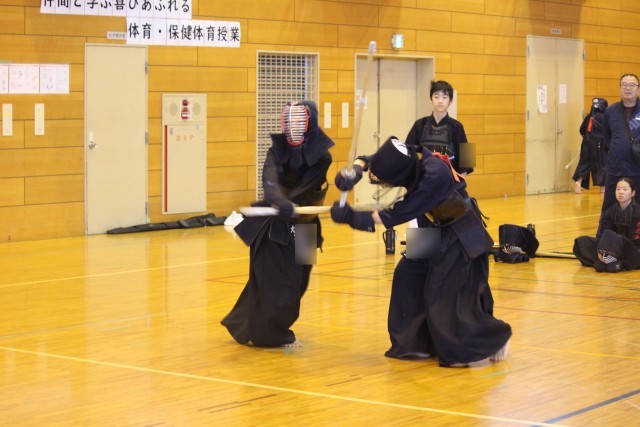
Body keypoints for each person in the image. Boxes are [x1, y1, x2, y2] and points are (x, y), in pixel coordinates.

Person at [332, 136, 511, 367]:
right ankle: (416, 344)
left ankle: (493, 339)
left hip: (456, 231)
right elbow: (369, 158)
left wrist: (351, 217)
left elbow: (392, 215)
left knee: (442, 296)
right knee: (407, 276)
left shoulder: (433, 177)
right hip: (428, 225)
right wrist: (355, 171)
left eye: (386, 182)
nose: (385, 186)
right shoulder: (407, 151)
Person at [221, 100, 334, 348]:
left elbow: (307, 187)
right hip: (275, 225)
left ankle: (254, 328)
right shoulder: (276, 151)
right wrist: (279, 200)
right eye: (289, 122)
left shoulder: (322, 157)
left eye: (298, 122)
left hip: (306, 225)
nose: (293, 127)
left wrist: (291, 202)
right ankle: (271, 334)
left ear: (309, 124)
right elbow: (269, 178)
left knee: (299, 283)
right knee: (274, 282)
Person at [598, 74, 640, 236]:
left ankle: (635, 243)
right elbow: (607, 137)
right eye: (624, 84)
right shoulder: (610, 111)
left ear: (638, 88)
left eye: (632, 85)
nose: (628, 88)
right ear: (620, 87)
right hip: (616, 168)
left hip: (637, 169)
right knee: (608, 206)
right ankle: (603, 241)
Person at [404, 80, 473, 176]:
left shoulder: (458, 126)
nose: (440, 101)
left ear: (450, 101)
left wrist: (461, 183)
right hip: (423, 180)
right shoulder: (419, 124)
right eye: (436, 97)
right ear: (431, 99)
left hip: (448, 182)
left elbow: (467, 160)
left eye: (444, 97)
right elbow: (407, 152)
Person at [574, 177, 640, 272]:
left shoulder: (637, 212)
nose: (621, 192)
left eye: (625, 189)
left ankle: (615, 263)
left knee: (613, 238)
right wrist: (603, 245)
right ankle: (610, 261)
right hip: (610, 248)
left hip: (630, 249)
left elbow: (635, 241)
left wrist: (616, 242)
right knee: (581, 241)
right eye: (618, 189)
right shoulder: (610, 211)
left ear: (633, 193)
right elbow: (603, 234)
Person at [572, 98, 608, 193]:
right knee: (602, 164)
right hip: (600, 143)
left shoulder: (589, 116)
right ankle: (603, 188)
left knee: (584, 163)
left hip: (587, 141)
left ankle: (578, 182)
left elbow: (582, 130)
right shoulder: (605, 117)